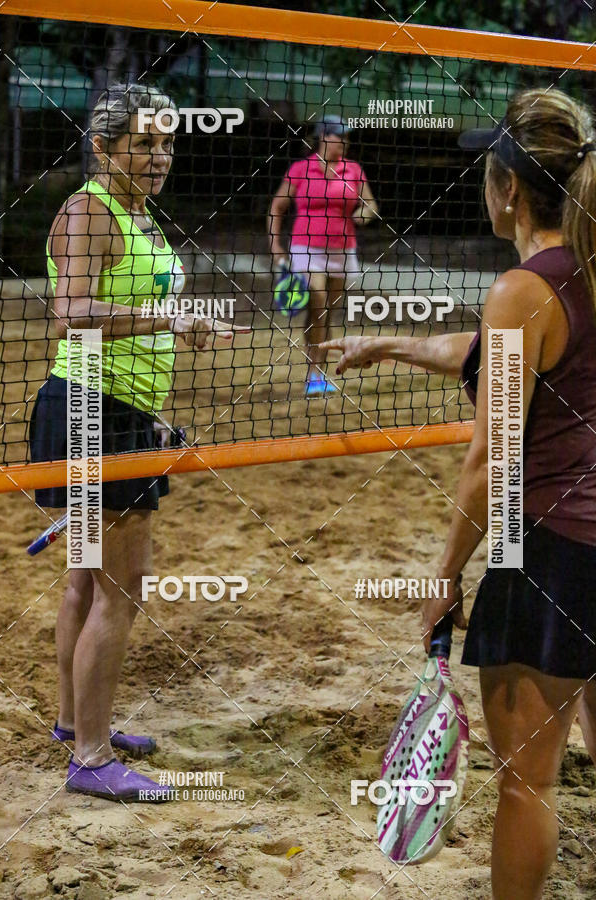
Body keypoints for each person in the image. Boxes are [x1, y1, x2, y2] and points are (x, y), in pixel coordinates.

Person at [321, 88, 596, 898]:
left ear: (508, 189)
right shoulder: (586, 268)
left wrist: (444, 572)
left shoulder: (523, 285)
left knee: (527, 781)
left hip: (546, 553)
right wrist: (390, 343)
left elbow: (489, 460)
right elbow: (494, 351)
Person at [31, 83, 243, 802]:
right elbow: (71, 315)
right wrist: (166, 324)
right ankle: (91, 759)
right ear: (102, 146)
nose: (160, 156)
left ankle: (75, 724)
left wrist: (179, 324)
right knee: (120, 591)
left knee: (88, 582)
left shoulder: (139, 215)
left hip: (117, 409)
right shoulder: (87, 210)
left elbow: (135, 309)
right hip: (92, 408)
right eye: (144, 143)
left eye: (168, 142)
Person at [268, 115, 378, 396]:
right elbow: (276, 208)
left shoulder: (353, 169)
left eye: (347, 137)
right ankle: (314, 374)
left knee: (327, 312)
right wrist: (276, 247)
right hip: (306, 247)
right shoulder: (301, 169)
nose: (345, 141)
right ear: (323, 137)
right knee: (318, 301)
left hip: (342, 249)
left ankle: (318, 370)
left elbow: (370, 205)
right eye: (339, 135)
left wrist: (363, 215)